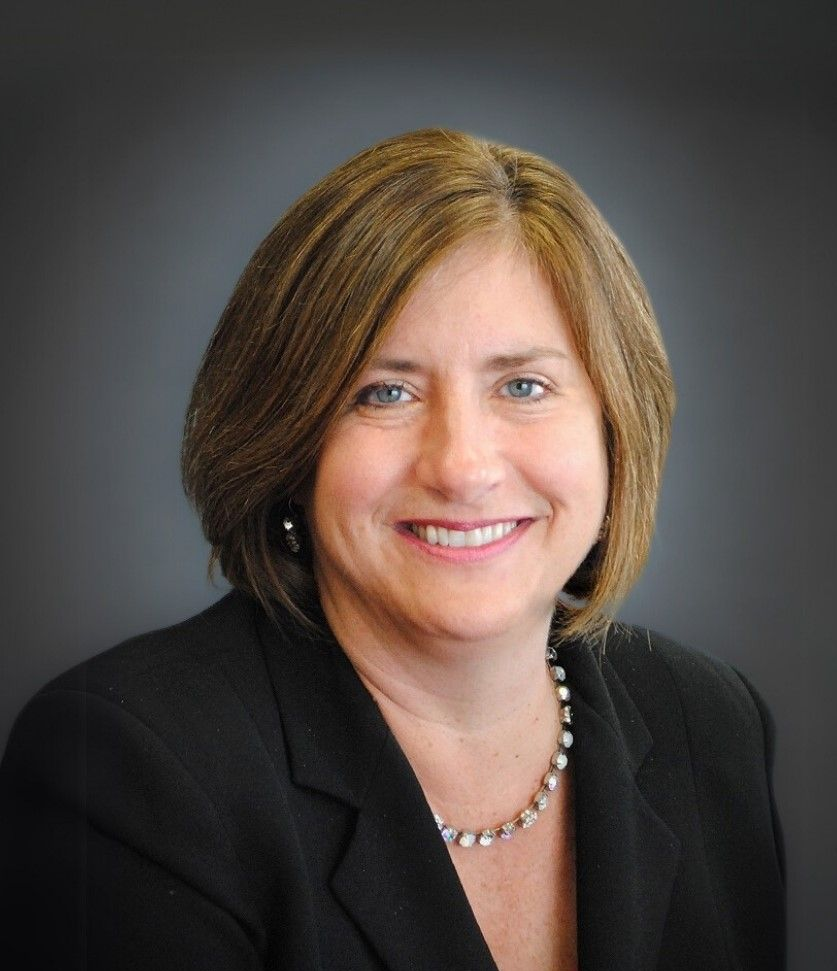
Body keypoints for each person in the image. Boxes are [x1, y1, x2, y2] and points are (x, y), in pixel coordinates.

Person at [0, 128, 785, 970]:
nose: (461, 467)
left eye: (523, 385)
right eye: (385, 392)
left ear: (613, 426)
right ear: (288, 445)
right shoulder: (130, 772)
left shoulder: (708, 723)